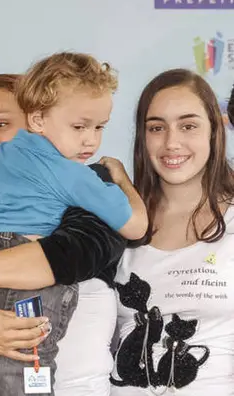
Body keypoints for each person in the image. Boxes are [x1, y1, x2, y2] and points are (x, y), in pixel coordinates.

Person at [0, 53, 147, 396]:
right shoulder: (76, 176)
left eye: (99, 127)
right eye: (80, 127)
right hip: (26, 275)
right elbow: (137, 227)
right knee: (22, 359)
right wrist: (121, 180)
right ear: (37, 119)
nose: (91, 140)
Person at [111, 69, 234, 394]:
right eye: (156, 127)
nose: (171, 142)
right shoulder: (116, 221)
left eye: (188, 125)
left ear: (214, 131)